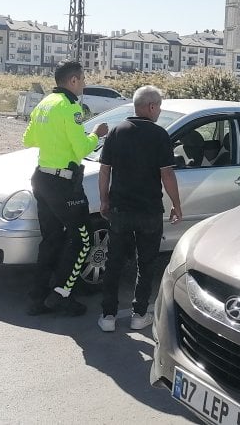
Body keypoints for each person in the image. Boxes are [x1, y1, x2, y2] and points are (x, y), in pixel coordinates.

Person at [22, 60, 108, 316]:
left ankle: (37, 298)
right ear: (72, 80)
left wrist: (55, 141)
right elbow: (82, 148)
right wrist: (96, 133)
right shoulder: (70, 106)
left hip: (42, 178)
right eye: (82, 79)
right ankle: (62, 294)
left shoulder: (44, 104)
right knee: (83, 240)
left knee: (51, 239)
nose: (84, 83)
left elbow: (28, 139)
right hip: (63, 185)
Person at [97, 85, 182, 332]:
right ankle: (138, 314)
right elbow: (167, 174)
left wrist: (104, 200)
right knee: (146, 264)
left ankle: (108, 316)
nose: (159, 111)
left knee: (114, 263)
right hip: (149, 211)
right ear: (151, 107)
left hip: (120, 210)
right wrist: (176, 205)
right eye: (159, 107)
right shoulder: (159, 135)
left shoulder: (116, 131)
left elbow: (105, 170)